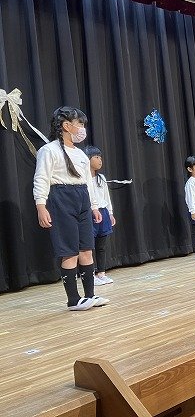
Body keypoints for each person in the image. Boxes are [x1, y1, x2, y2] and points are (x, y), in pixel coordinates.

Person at [33, 106, 109, 311]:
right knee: (70, 251)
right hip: (61, 198)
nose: (83, 128)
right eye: (80, 124)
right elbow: (41, 179)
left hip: (82, 198)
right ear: (66, 126)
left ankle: (90, 295)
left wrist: (94, 207)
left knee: (87, 249)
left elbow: (88, 183)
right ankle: (73, 299)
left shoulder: (81, 154)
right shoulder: (49, 150)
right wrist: (41, 206)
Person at [85, 146, 117, 285]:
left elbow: (106, 197)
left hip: (103, 212)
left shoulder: (101, 178)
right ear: (87, 159)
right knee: (88, 247)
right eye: (96, 157)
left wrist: (110, 213)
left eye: (100, 157)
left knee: (101, 246)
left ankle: (101, 273)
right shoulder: (83, 178)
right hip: (90, 213)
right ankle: (90, 275)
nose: (100, 160)